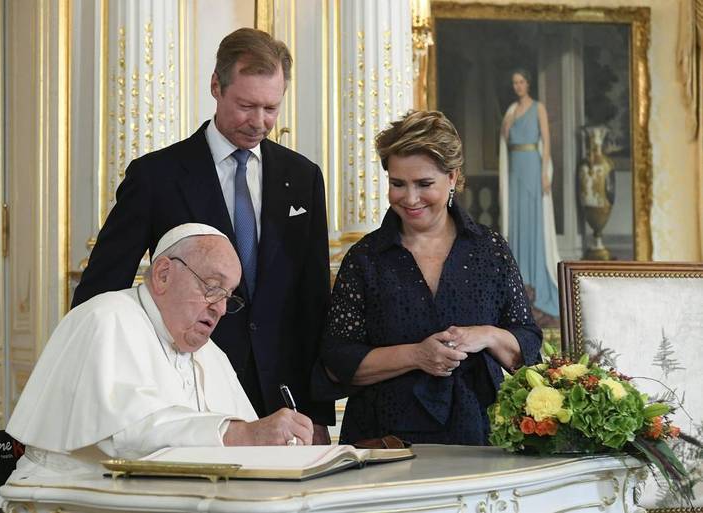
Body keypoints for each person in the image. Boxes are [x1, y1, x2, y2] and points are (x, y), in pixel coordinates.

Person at [70, 28, 333, 442]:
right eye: (246, 105)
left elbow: (313, 299)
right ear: (216, 86)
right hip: (188, 395)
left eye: (271, 108)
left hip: (283, 400)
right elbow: (102, 288)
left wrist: (317, 413)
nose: (259, 122)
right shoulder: (157, 176)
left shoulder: (303, 177)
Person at [0, 224, 314, 503]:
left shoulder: (211, 354)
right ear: (163, 274)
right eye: (212, 287)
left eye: (228, 296)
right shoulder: (106, 316)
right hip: (65, 497)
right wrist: (243, 436)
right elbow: (128, 435)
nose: (219, 308)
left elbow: (248, 438)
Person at [313, 111, 542, 445]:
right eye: (397, 184)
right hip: (382, 442)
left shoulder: (490, 250)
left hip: (480, 437)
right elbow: (338, 360)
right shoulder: (365, 258)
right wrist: (417, 356)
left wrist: (487, 335)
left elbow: (529, 349)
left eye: (424, 184)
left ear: (452, 177)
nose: (410, 198)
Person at [499, 68, 560, 323]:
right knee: (517, 221)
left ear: (528, 84)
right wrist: (508, 122)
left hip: (533, 167)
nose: (518, 86)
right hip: (515, 168)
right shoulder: (511, 111)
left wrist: (545, 173)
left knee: (533, 222)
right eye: (514, 83)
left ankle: (537, 284)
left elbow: (546, 141)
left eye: (521, 82)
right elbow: (504, 138)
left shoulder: (539, 108)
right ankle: (520, 282)